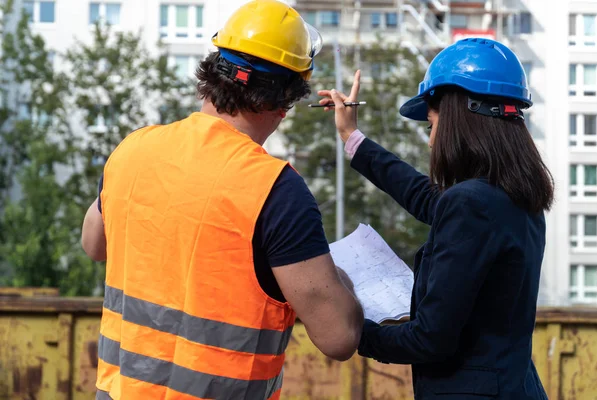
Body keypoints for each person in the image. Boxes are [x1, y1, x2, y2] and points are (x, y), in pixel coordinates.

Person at [81, 1, 364, 399]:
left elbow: (94, 245)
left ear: (212, 71)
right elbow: (339, 337)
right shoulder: (276, 189)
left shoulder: (133, 149)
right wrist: (342, 280)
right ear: (284, 101)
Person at [318, 38, 552, 399]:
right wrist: (352, 138)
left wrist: (353, 331)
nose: (431, 142)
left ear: (462, 118)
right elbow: (427, 197)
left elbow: (430, 339)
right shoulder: (517, 199)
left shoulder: (473, 203)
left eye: (431, 125)